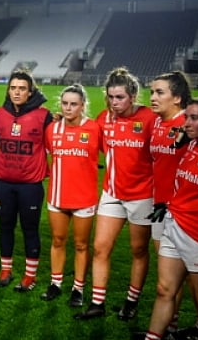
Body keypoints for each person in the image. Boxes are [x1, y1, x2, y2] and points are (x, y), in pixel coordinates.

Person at [76, 67, 156, 320]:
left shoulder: (150, 118)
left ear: (133, 95)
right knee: (100, 248)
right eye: (110, 97)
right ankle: (97, 303)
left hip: (143, 195)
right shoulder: (104, 118)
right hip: (111, 193)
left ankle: (131, 302)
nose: (114, 102)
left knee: (139, 251)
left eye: (119, 97)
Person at [142, 98, 198, 340]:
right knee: (164, 289)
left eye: (194, 118)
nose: (186, 123)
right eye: (186, 117)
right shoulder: (191, 145)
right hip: (173, 222)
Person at [0, 69, 53, 292]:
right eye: (13, 88)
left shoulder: (44, 116)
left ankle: (30, 275)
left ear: (30, 91)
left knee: (30, 228)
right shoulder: (0, 114)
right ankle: (6, 269)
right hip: (3, 182)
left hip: (30, 185)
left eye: (22, 88)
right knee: (5, 225)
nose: (17, 92)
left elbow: (56, 146)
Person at [40, 84, 100, 307]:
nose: (68, 108)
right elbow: (46, 154)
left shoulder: (94, 129)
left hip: (84, 197)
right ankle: (55, 284)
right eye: (64, 103)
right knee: (57, 240)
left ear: (82, 105)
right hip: (57, 196)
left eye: (73, 104)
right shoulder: (52, 129)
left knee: (82, 245)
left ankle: (78, 288)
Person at [147, 70, 194, 335]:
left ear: (177, 97)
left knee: (193, 283)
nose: (153, 97)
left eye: (159, 92)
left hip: (184, 214)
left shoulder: (189, 124)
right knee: (168, 281)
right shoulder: (155, 123)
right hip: (159, 209)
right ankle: (169, 328)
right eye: (152, 92)